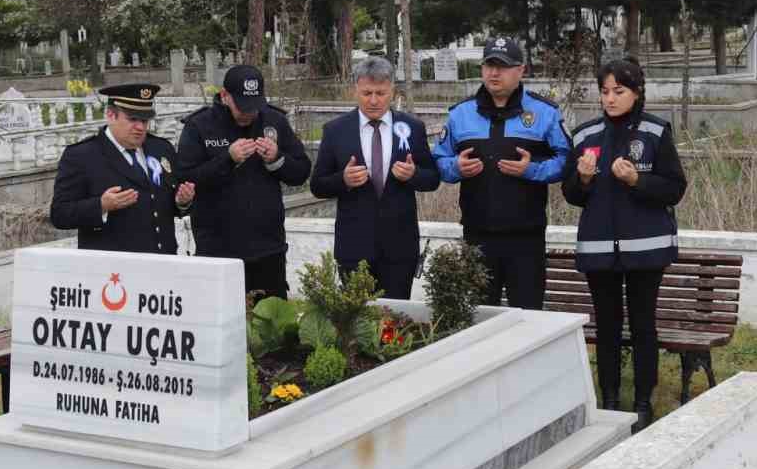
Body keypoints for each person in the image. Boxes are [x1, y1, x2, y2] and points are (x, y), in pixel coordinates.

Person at [562, 58, 687, 432]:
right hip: (600, 249)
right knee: (608, 327)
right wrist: (581, 179)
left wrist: (637, 181)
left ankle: (644, 403)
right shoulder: (584, 136)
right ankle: (611, 399)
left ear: (636, 93)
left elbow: (674, 188)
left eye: (619, 91)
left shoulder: (655, 131)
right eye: (604, 92)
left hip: (645, 249)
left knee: (643, 326)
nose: (610, 99)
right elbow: (572, 195)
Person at [432, 36, 570, 308]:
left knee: (528, 318)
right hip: (477, 236)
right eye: (489, 65)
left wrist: (533, 170)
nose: (494, 73)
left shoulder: (544, 113)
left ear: (521, 70)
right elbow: (438, 160)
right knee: (479, 319)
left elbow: (567, 160)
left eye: (503, 66)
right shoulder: (460, 114)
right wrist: (455, 167)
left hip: (525, 238)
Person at [177, 64, 313, 298]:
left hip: (268, 248)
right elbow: (186, 179)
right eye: (242, 107)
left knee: (272, 326)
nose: (249, 114)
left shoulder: (274, 120)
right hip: (218, 250)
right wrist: (227, 160)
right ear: (225, 96)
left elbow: (301, 171)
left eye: (254, 107)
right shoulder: (199, 126)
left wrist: (276, 159)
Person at [309, 57, 440, 299]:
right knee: (358, 324)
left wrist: (413, 175)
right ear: (355, 90)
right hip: (354, 247)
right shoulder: (336, 130)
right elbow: (317, 185)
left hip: (400, 248)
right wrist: (343, 180)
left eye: (380, 93)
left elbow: (432, 179)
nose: (373, 100)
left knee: (395, 323)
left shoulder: (412, 127)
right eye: (366, 93)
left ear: (392, 91)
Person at [48, 83, 196, 253]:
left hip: (163, 262)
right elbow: (59, 214)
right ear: (111, 115)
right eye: (132, 119)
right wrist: (101, 206)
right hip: (115, 270)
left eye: (144, 120)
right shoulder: (82, 156)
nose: (140, 127)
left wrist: (182, 202)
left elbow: (162, 204)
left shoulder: (161, 149)